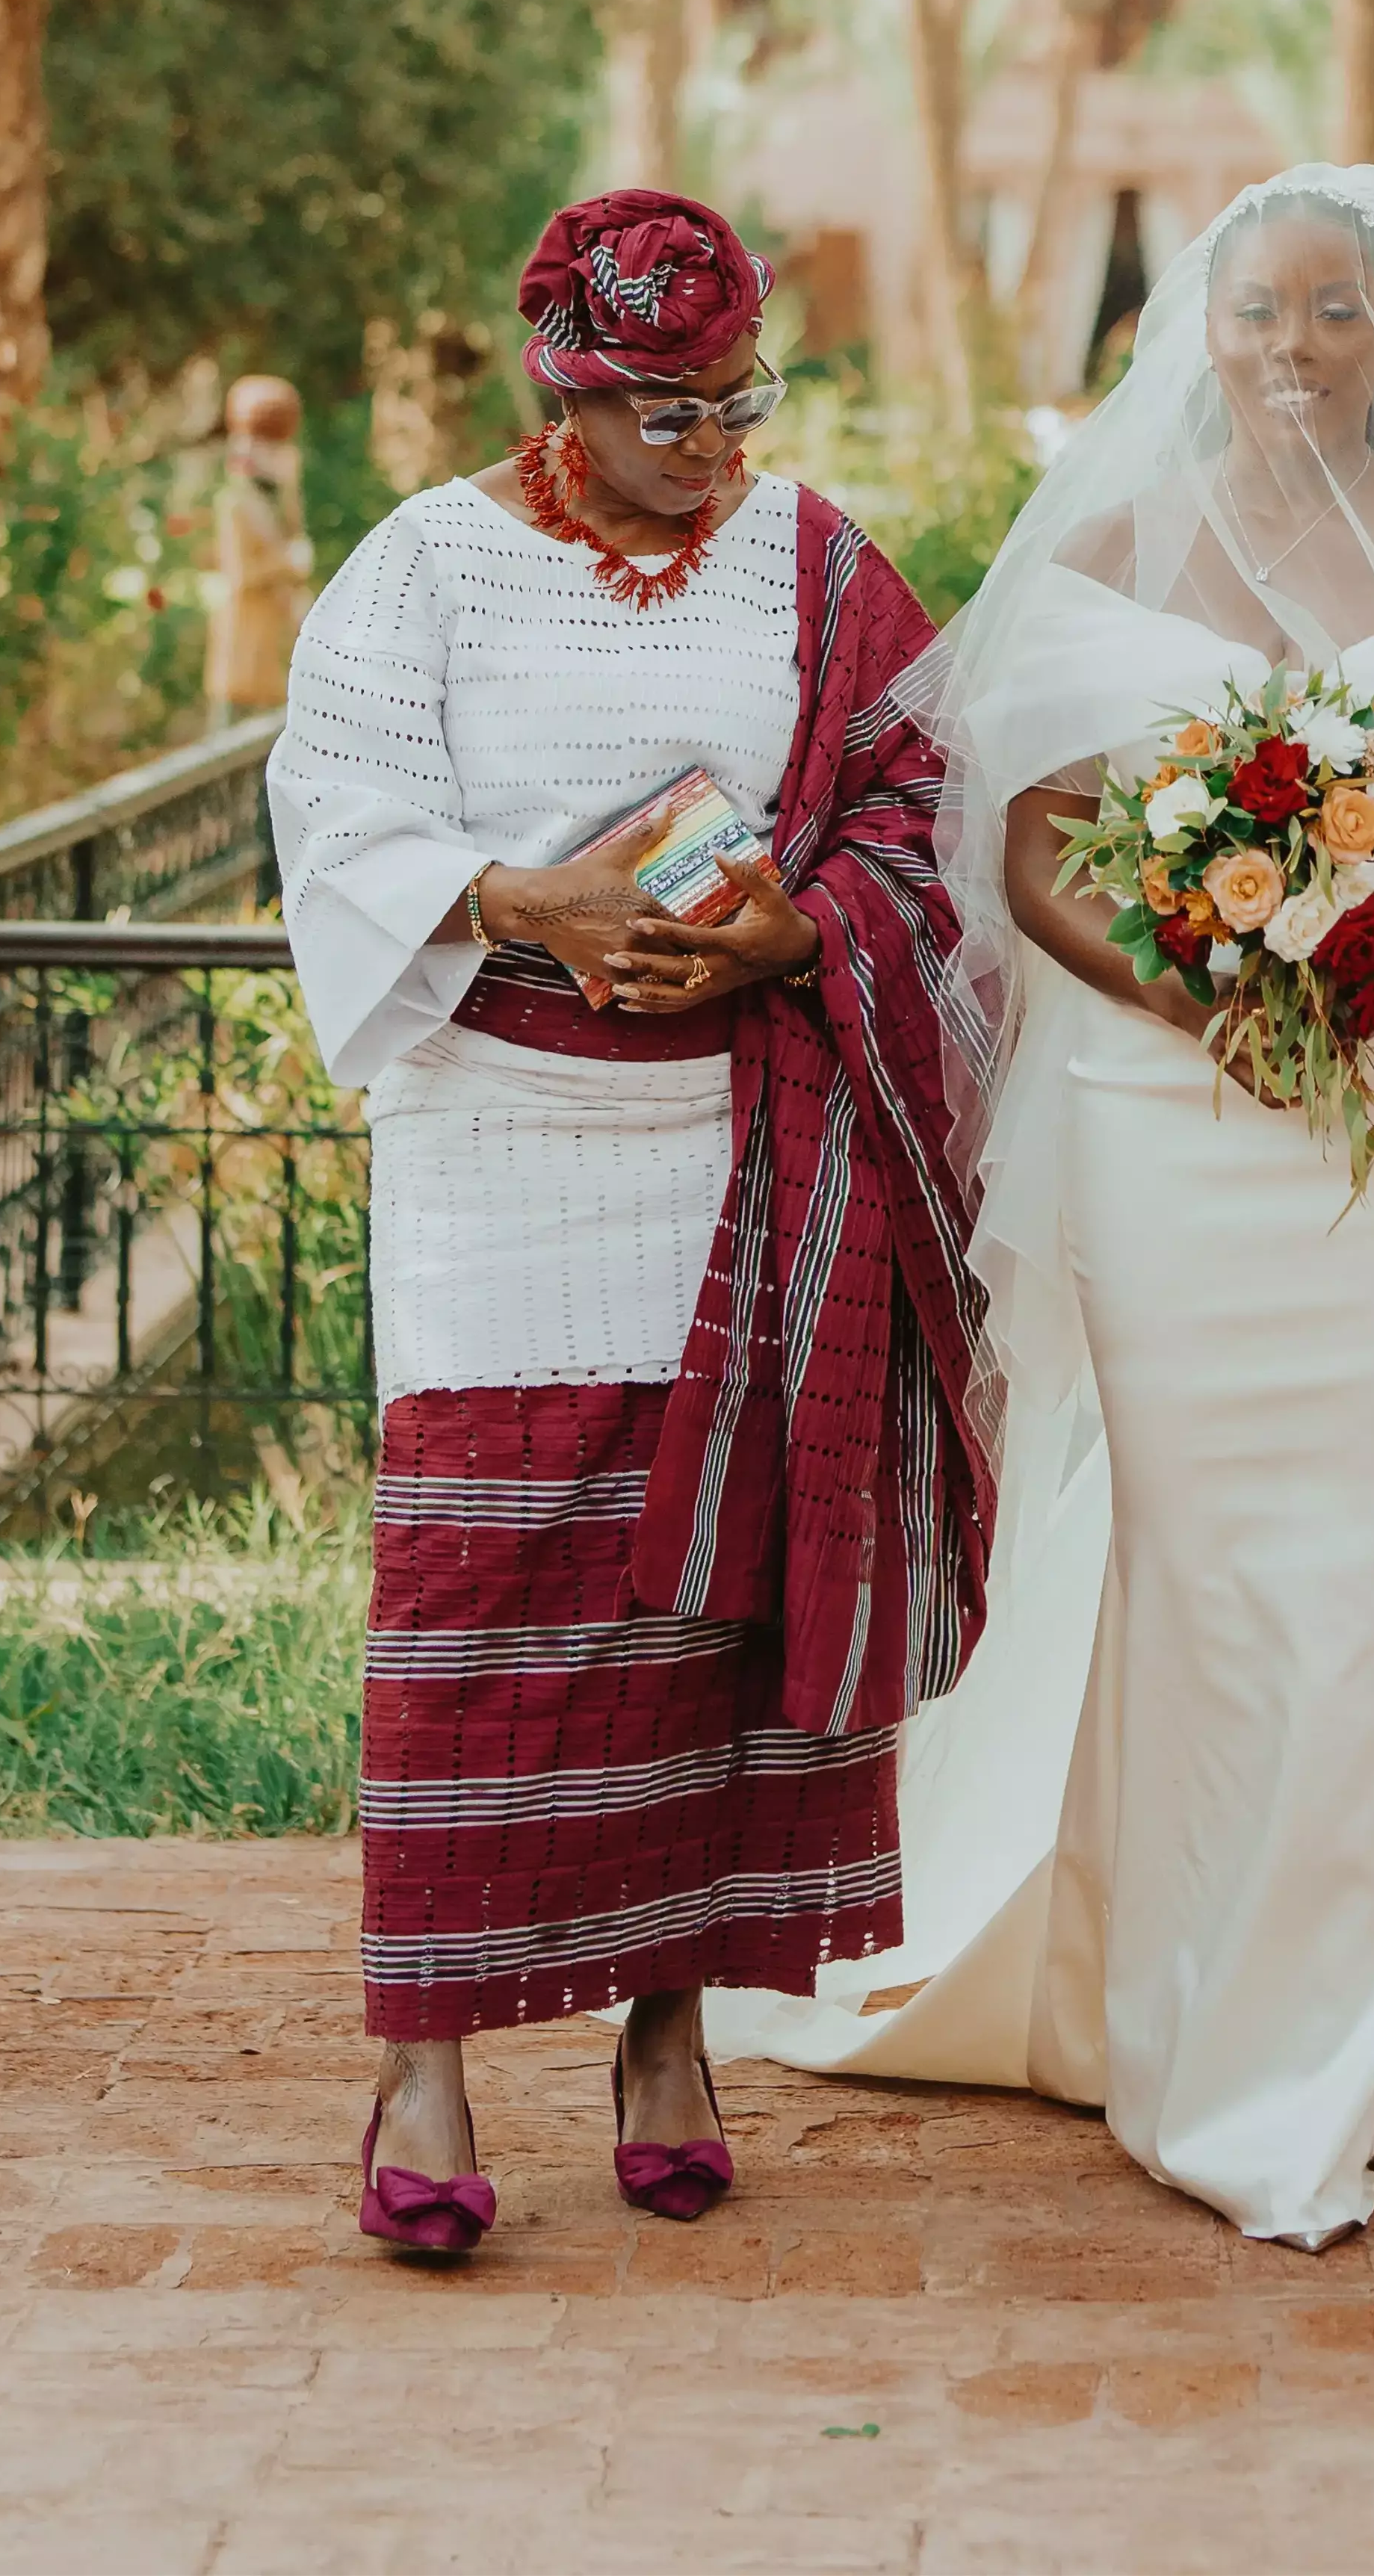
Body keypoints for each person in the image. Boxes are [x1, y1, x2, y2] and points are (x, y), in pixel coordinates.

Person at [725, 168, 1374, 2244]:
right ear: (1201, 324)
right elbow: (1035, 850)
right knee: (1208, 1572)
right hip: (1172, 1133)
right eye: (1259, 307)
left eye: (1337, 311)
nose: (1294, 345)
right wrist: (1219, 996)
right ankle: (1199, 2022)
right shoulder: (1110, 541)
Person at [269, 191, 993, 2261]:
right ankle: (427, 2053)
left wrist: (797, 924)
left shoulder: (821, 557)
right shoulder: (421, 565)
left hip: (741, 1146)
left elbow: (910, 804)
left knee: (709, 1614)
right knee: (477, 1603)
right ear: (555, 388)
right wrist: (529, 898)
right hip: (498, 1149)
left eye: (730, 396)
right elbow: (341, 813)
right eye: (654, 404)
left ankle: (667, 2032)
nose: (703, 439)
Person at [206, 374, 312, 723]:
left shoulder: (273, 500)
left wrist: (290, 488)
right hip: (242, 657)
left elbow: (293, 542)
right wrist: (287, 564)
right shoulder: (235, 503)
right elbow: (239, 577)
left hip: (275, 660)